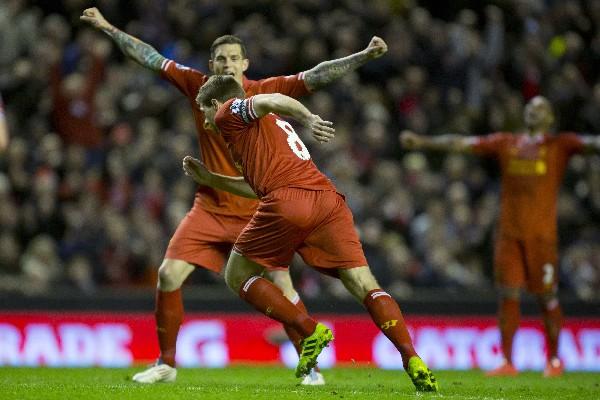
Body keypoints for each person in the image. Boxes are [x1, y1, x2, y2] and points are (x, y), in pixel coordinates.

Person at [80, 7, 388, 385]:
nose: (227, 65)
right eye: (220, 59)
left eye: (233, 59)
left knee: (283, 285)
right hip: (211, 204)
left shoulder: (262, 92)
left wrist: (362, 56)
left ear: (245, 63)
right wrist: (107, 26)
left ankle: (311, 367)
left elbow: (316, 75)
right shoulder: (197, 86)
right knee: (168, 274)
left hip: (261, 205)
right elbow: (148, 56)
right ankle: (167, 364)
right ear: (212, 64)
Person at [183, 74, 438, 392]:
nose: (204, 119)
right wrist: (211, 179)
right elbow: (255, 186)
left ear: (215, 103)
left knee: (236, 274)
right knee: (363, 283)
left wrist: (310, 117)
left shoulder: (228, 112)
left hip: (288, 199)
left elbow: (269, 99)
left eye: (203, 110)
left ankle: (309, 329)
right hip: (327, 200)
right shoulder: (260, 133)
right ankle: (411, 357)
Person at [400, 95, 600, 377]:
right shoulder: (507, 143)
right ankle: (507, 361)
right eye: (530, 107)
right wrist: (422, 142)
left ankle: (554, 360)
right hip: (508, 235)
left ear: (551, 118)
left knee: (547, 296)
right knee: (508, 294)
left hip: (542, 237)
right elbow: (462, 143)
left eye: (541, 108)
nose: (533, 111)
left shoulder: (560, 145)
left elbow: (593, 143)